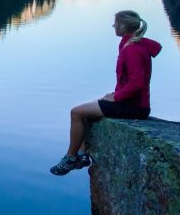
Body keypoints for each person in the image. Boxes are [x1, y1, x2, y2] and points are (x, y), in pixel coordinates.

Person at [50, 10, 162, 176]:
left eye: (115, 23)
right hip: (133, 103)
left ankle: (70, 158)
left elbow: (136, 83)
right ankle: (81, 155)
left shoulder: (132, 50)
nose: (113, 26)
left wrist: (116, 97)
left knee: (76, 112)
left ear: (123, 26)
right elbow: (131, 81)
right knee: (88, 110)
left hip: (133, 107)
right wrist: (114, 94)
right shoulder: (133, 45)